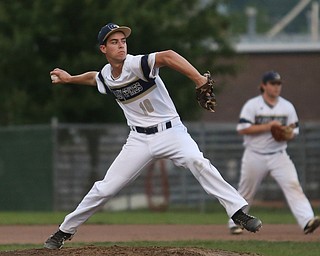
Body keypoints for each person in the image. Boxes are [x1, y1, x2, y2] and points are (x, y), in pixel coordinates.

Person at [44, 22, 262, 249]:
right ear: (103, 49)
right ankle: (64, 231)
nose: (121, 46)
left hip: (171, 132)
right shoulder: (108, 76)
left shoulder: (135, 64)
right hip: (138, 140)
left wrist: (198, 79)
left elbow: (167, 56)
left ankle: (237, 212)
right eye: (114, 42)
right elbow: (94, 78)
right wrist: (69, 79)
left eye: (123, 41)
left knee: (197, 161)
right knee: (106, 188)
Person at [228, 71, 319, 235]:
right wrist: (269, 126)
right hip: (255, 155)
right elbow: (243, 129)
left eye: (279, 84)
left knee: (293, 186)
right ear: (263, 86)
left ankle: (307, 220)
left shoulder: (287, 106)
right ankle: (235, 222)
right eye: (273, 83)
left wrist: (286, 133)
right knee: (246, 191)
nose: (277, 87)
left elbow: (294, 131)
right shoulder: (253, 105)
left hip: (279, 154)